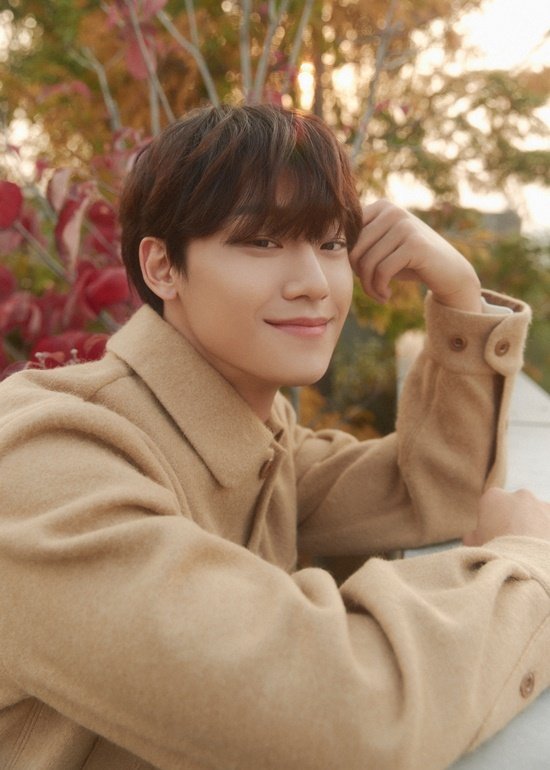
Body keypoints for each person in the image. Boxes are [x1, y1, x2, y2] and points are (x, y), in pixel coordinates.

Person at [0, 103, 548, 770]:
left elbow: (437, 493)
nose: (314, 284)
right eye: (262, 242)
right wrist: (529, 573)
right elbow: (349, 717)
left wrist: (459, 294)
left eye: (332, 243)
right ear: (163, 267)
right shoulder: (48, 465)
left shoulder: (247, 432)